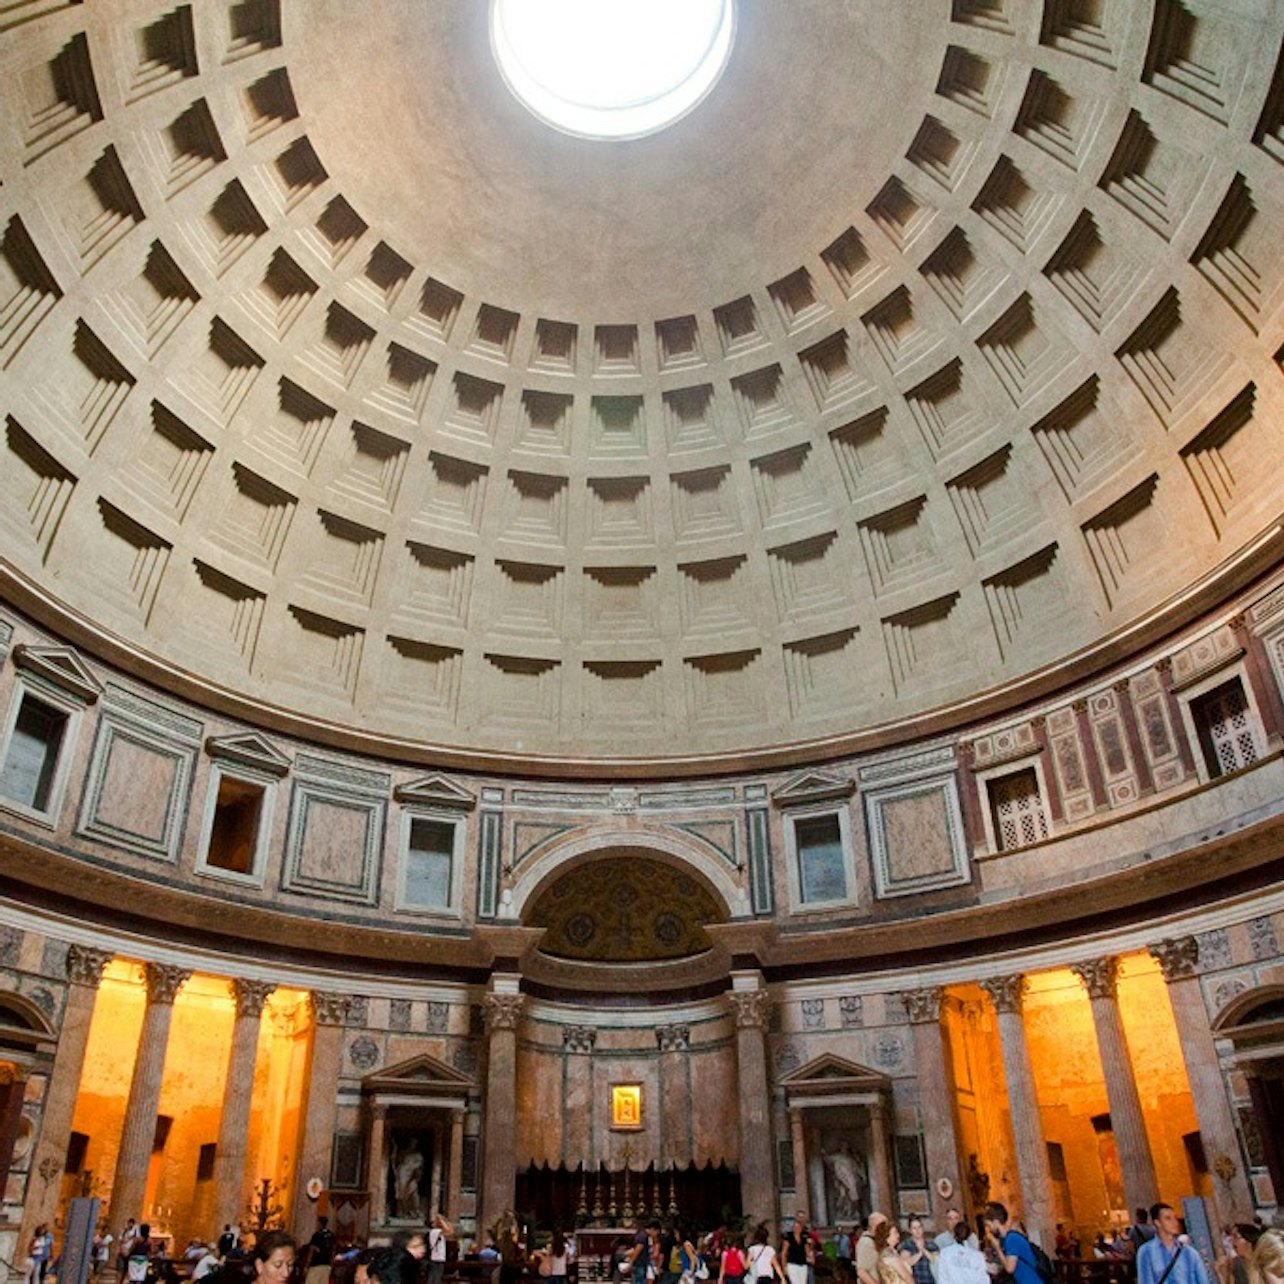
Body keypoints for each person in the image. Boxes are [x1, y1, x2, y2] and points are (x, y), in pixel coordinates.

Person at [1136, 1204, 1210, 1284]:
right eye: (1168, 1218)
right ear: (1158, 1223)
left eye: (1175, 1218)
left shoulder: (1190, 1253)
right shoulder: (1146, 1252)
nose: (1174, 1222)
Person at [982, 1204, 1039, 1284]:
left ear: (995, 1222)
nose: (989, 1229)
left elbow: (1010, 1268)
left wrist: (997, 1248)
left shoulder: (1011, 1239)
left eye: (989, 1225)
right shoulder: (1007, 1239)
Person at [824, 1144, 865, 1223]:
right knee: (843, 1196)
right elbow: (827, 1159)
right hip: (841, 1180)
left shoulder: (852, 1158)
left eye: (846, 1147)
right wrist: (823, 1153)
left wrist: (863, 1176)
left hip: (851, 1180)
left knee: (853, 1196)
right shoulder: (837, 1157)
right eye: (843, 1147)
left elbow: (857, 1168)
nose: (844, 1149)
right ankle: (843, 1213)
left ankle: (852, 1212)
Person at [901, 1217, 937, 1284]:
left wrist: (924, 1250)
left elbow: (936, 1260)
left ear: (923, 1228)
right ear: (910, 1230)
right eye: (914, 1228)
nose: (917, 1230)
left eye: (919, 1227)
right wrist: (920, 1254)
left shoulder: (931, 1243)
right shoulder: (906, 1245)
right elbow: (905, 1263)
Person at [782, 1213, 816, 1284]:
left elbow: (807, 1249)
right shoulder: (788, 1237)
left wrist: (810, 1256)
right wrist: (784, 1266)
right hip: (792, 1264)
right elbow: (784, 1252)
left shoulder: (804, 1236)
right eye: (796, 1227)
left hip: (803, 1264)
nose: (797, 1229)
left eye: (799, 1227)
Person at [858, 1215, 890, 1284]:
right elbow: (862, 1271)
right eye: (883, 1226)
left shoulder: (875, 1241)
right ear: (874, 1226)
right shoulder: (867, 1243)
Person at [427, 1214, 454, 1284]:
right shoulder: (434, 1231)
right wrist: (442, 1220)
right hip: (436, 1259)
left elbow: (451, 1231)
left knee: (437, 1278)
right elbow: (449, 1230)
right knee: (434, 1279)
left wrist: (446, 1221)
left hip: (439, 1259)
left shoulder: (438, 1232)